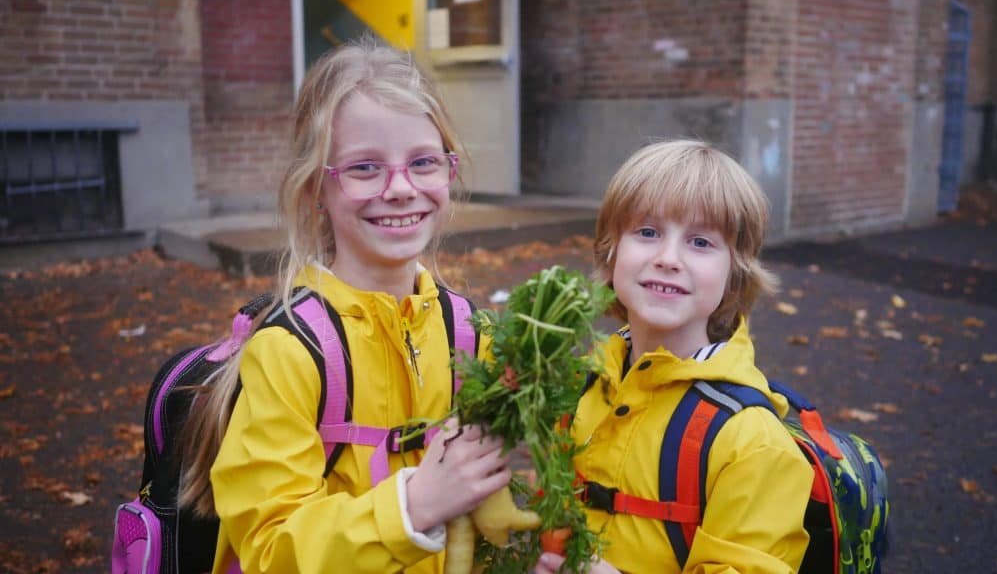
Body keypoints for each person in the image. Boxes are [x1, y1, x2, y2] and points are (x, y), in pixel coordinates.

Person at [175, 41, 513, 573]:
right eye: (363, 169)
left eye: (423, 162)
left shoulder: (472, 334)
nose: (400, 189)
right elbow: (268, 549)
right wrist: (412, 508)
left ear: (449, 172)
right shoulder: (290, 353)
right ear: (315, 187)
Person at [536, 140, 814, 573]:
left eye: (700, 242)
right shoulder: (581, 387)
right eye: (647, 232)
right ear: (611, 251)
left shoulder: (751, 440)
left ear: (734, 273)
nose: (668, 259)